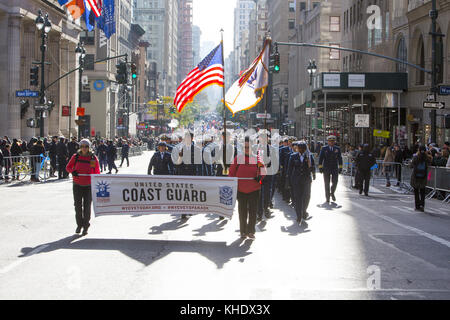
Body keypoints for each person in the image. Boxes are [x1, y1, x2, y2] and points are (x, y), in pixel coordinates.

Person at [229, 136, 264, 240]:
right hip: (241, 190)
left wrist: (260, 179)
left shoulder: (258, 158)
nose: (247, 149)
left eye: (249, 147)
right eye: (245, 147)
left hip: (254, 190)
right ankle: (243, 231)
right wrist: (232, 184)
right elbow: (231, 173)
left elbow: (263, 172)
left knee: (253, 212)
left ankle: (251, 231)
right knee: (242, 211)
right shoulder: (238, 158)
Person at [66, 139, 100, 235]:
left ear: (89, 147)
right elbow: (68, 167)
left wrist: (94, 177)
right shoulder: (75, 157)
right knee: (77, 206)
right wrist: (73, 171)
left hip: (89, 186)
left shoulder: (93, 158)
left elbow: (97, 171)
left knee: (87, 206)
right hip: (77, 184)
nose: (84, 148)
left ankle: (85, 226)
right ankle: (79, 225)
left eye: (86, 146)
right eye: (82, 146)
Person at [288, 141, 315, 225]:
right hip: (296, 180)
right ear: (297, 148)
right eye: (299, 148)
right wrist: (288, 181)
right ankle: (299, 215)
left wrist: (309, 165)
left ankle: (304, 211)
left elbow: (313, 168)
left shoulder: (309, 156)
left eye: (303, 149)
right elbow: (289, 169)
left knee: (306, 196)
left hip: (306, 180)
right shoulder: (293, 156)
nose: (301, 150)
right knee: (297, 198)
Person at [318, 135, 343, 203]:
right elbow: (321, 158)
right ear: (328, 142)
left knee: (335, 182)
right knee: (326, 183)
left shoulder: (337, 148)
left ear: (334, 142)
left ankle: (332, 192)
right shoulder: (324, 148)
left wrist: (340, 167)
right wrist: (320, 167)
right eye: (330, 141)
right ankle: (327, 197)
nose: (331, 142)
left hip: (334, 168)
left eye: (333, 141)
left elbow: (340, 158)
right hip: (326, 168)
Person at [410, 146, 431, 212]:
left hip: (415, 176)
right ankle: (422, 205)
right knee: (422, 192)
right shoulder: (427, 158)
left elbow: (411, 165)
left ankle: (417, 206)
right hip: (423, 176)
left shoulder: (416, 157)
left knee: (416, 191)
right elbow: (429, 165)